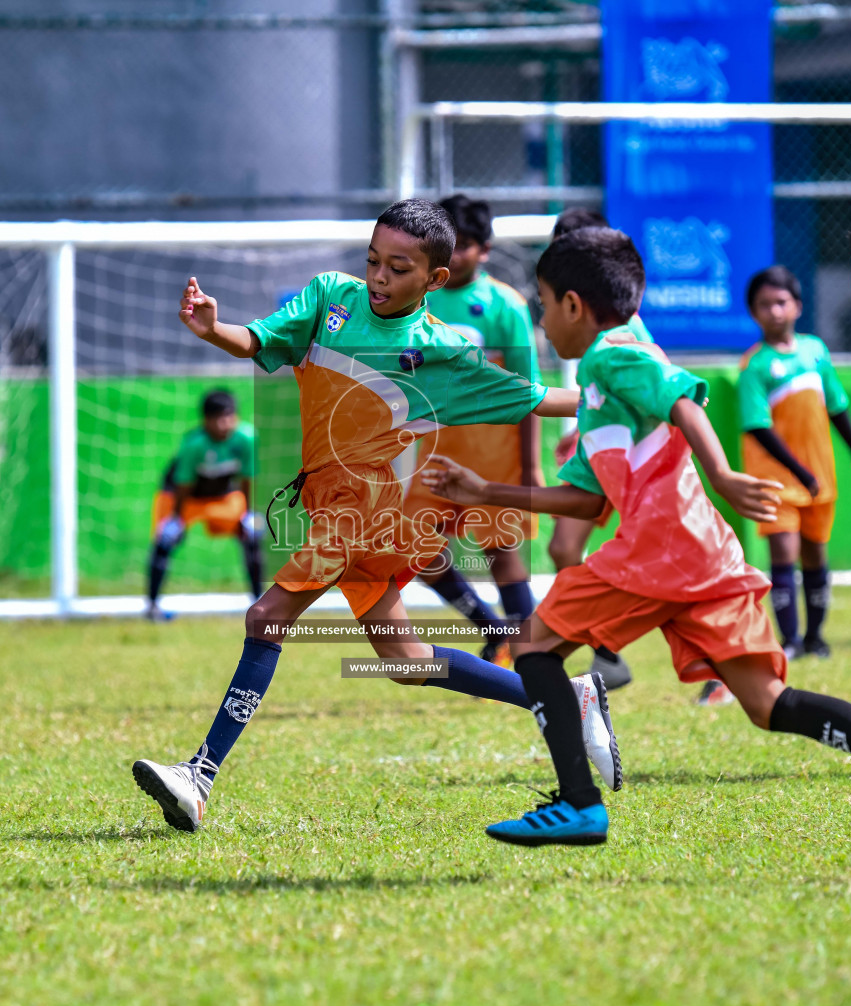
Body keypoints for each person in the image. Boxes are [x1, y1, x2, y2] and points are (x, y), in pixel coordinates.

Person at [422, 226, 851, 869]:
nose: (542, 323)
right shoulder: (604, 390)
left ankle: (579, 803)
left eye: (545, 305)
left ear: (574, 305)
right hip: (699, 557)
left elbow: (684, 398)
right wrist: (485, 490)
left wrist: (720, 474)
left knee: (531, 647)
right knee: (769, 707)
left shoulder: (612, 355)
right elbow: (585, 501)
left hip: (658, 550)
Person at [130, 199, 620, 833]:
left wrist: (626, 395)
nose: (379, 277)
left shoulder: (440, 351)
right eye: (372, 261)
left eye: (397, 267)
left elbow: (542, 398)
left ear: (433, 280)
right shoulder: (331, 297)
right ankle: (565, 696)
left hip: (364, 513)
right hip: (335, 508)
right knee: (405, 659)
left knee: (266, 616)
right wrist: (213, 330)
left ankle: (198, 776)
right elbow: (258, 340)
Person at [400, 195, 541, 666]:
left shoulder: (506, 305)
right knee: (414, 548)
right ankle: (494, 629)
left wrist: (531, 466)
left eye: (469, 245)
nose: (457, 254)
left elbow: (529, 392)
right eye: (451, 244)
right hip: (432, 454)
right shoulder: (414, 300)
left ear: (485, 250)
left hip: (494, 454)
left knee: (501, 551)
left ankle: (531, 651)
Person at [738, 266, 851, 660]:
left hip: (820, 478)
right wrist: (800, 473)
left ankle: (816, 638)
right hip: (778, 479)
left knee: (815, 555)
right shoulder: (755, 365)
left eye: (781, 302)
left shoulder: (815, 351)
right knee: (784, 552)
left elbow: (837, 406)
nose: (774, 311)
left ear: (797, 306)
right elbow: (758, 427)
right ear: (753, 312)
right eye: (764, 305)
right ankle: (791, 641)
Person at [543, 208, 638, 694]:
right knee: (562, 547)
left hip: (627, 462)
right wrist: (583, 429)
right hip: (599, 453)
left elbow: (655, 394)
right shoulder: (586, 332)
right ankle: (605, 651)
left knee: (661, 566)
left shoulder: (622, 328)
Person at [147, 389, 263, 619]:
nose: (225, 424)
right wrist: (175, 519)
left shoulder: (247, 438)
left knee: (251, 536)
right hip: (182, 498)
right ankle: (152, 607)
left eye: (230, 416)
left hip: (222, 496)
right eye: (218, 418)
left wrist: (248, 513)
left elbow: (247, 478)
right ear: (206, 421)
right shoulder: (194, 444)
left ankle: (260, 604)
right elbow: (183, 482)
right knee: (165, 542)